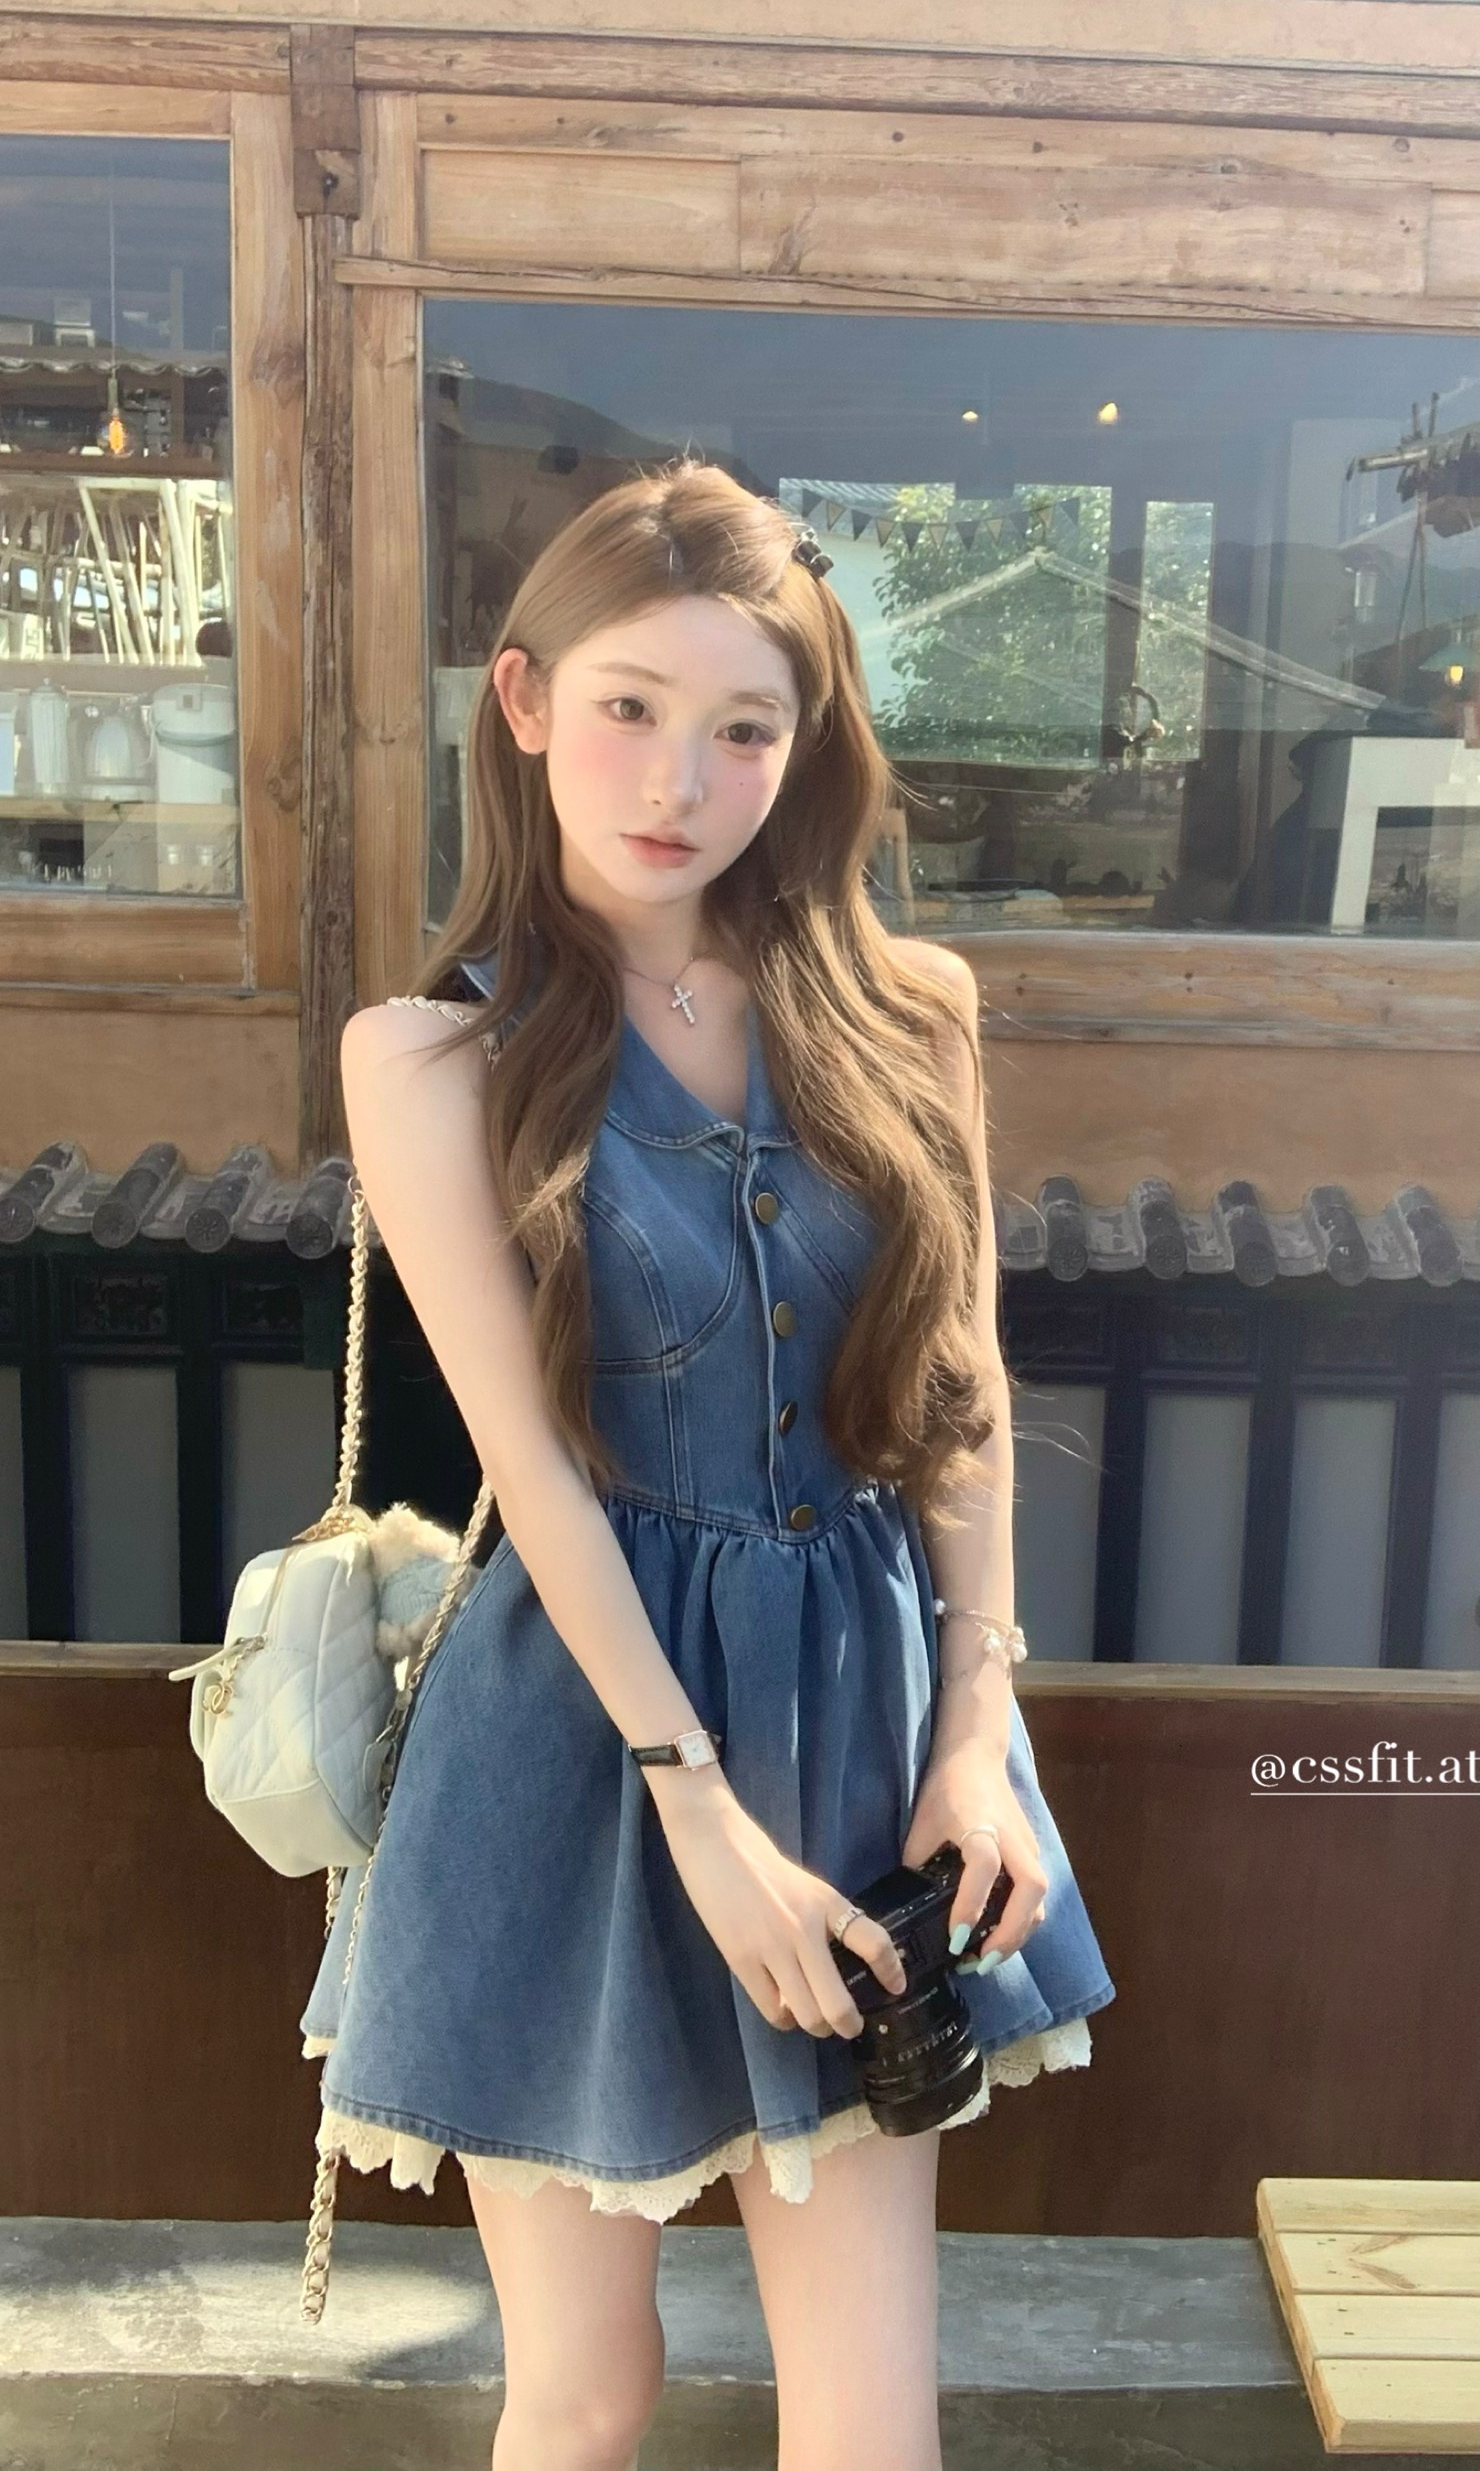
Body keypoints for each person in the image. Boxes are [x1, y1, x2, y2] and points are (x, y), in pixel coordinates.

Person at [298, 459, 1117, 2471]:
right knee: (586, 2398)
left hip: (865, 1726)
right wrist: (695, 1806)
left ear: (806, 745)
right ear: (523, 700)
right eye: (630, 707)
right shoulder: (429, 1057)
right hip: (581, 1743)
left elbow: (955, 1389)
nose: (681, 778)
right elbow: (533, 1472)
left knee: (869, 2422)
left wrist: (977, 1727)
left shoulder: (910, 1014)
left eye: (747, 728)